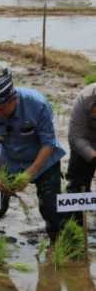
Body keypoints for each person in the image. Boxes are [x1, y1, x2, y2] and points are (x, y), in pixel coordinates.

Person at [0, 68, 66, 243]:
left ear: (13, 99)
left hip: (44, 162)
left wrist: (30, 173)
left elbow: (49, 143)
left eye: (1, 109)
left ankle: (59, 244)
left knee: (52, 209)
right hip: (10, 160)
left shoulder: (37, 105)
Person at [66, 83, 96, 225]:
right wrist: (92, 155)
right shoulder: (86, 98)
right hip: (86, 140)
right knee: (78, 183)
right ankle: (75, 223)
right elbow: (75, 137)